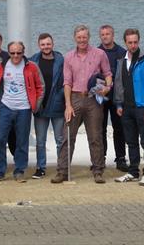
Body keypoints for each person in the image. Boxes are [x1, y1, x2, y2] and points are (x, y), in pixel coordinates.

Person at [53, 24, 112, 184]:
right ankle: (62, 171)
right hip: (75, 98)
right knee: (67, 137)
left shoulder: (100, 54)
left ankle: (98, 170)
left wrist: (107, 88)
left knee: (95, 137)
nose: (82, 40)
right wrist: (68, 105)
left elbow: (107, 73)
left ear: (89, 37)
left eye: (84, 37)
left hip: (94, 98)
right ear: (75, 38)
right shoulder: (68, 57)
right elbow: (67, 83)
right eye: (79, 37)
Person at [0, 41, 44, 183]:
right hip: (6, 107)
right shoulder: (2, 66)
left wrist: (35, 105)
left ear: (23, 52)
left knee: (22, 141)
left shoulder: (32, 67)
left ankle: (19, 171)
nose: (16, 55)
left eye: (19, 52)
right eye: (12, 53)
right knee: (0, 139)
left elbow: (40, 86)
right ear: (9, 52)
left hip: (24, 109)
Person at [113, 28, 144, 186]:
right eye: (130, 42)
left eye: (135, 42)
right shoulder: (121, 61)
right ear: (125, 43)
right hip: (126, 108)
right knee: (131, 141)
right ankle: (133, 171)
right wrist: (119, 103)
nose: (133, 45)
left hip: (142, 108)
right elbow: (118, 83)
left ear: (139, 41)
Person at [30, 32, 65, 179]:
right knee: (40, 141)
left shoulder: (60, 60)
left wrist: (60, 95)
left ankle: (61, 168)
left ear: (53, 44)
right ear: (39, 45)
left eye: (48, 44)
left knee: (60, 140)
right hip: (40, 106)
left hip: (57, 105)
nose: (46, 47)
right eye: (43, 44)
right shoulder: (33, 61)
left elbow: (66, 81)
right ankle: (40, 168)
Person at [98, 24, 127, 172]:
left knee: (119, 128)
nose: (105, 37)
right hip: (101, 96)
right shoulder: (96, 52)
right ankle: (100, 158)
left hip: (118, 97)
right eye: (102, 34)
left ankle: (121, 158)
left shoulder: (122, 52)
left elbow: (125, 76)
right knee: (100, 128)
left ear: (113, 35)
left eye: (107, 34)